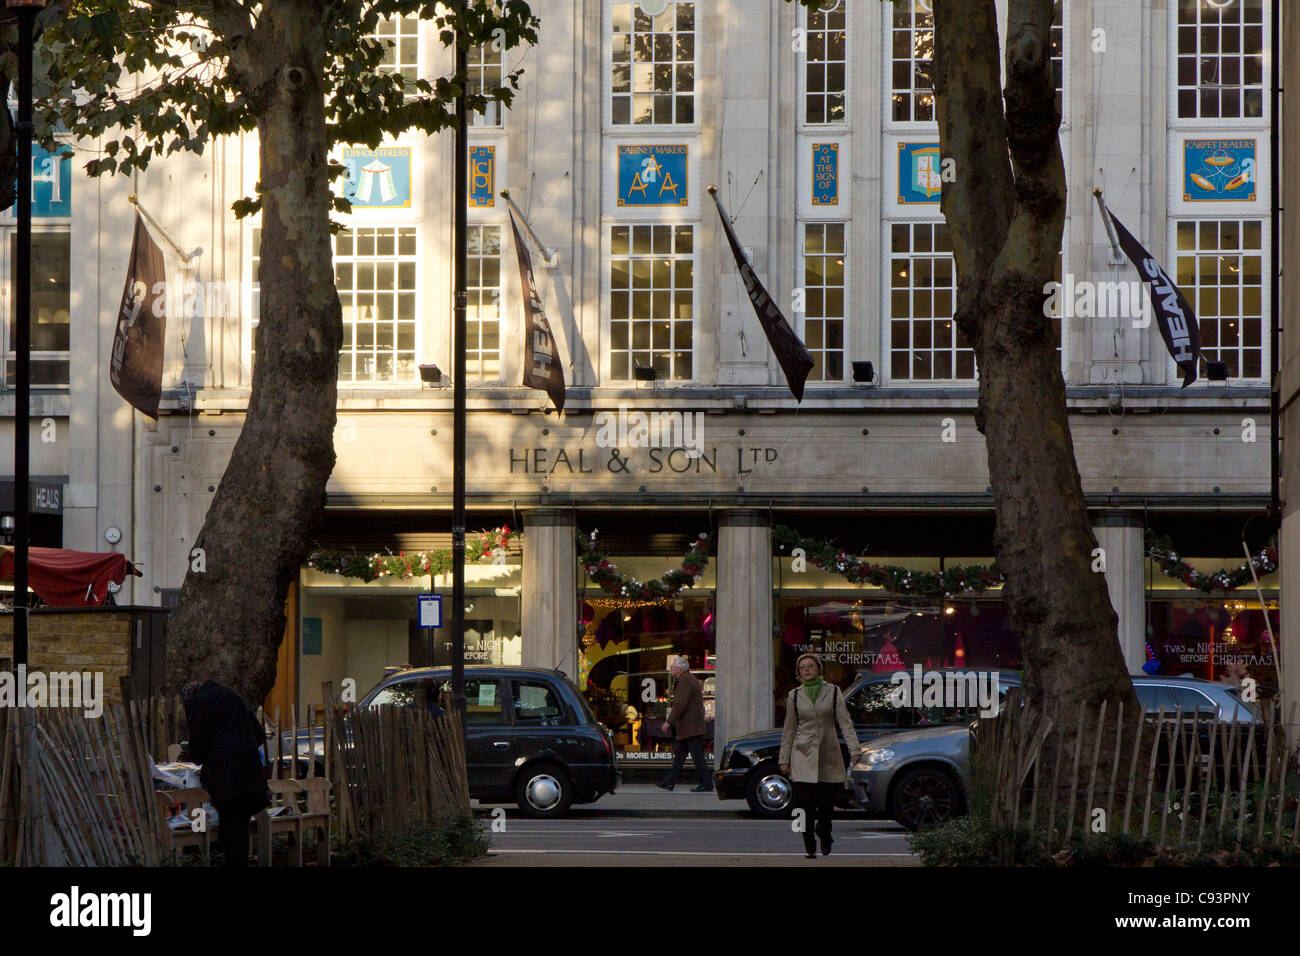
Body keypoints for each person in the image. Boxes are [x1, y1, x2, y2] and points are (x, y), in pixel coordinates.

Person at [779, 653, 862, 858]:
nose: (807, 670)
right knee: (803, 806)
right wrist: (784, 758)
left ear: (818, 669)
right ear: (798, 673)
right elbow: (789, 729)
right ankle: (808, 845)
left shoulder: (833, 692)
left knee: (825, 805)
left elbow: (845, 723)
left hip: (828, 752)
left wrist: (855, 749)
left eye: (810, 666)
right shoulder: (794, 696)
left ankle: (825, 833)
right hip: (802, 753)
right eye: (802, 668)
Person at [181, 680, 271, 867]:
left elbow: (197, 752)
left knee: (231, 831)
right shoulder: (231, 694)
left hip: (226, 782)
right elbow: (259, 735)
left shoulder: (198, 702)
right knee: (240, 831)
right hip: (249, 776)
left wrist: (217, 754)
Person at [656, 656, 711, 792]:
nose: (671, 669)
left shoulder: (685, 680)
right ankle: (669, 782)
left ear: (679, 668)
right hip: (689, 727)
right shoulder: (688, 679)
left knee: (697, 757)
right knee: (680, 756)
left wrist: (669, 721)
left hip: (690, 726)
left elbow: (680, 704)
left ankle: (707, 784)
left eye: (673, 667)